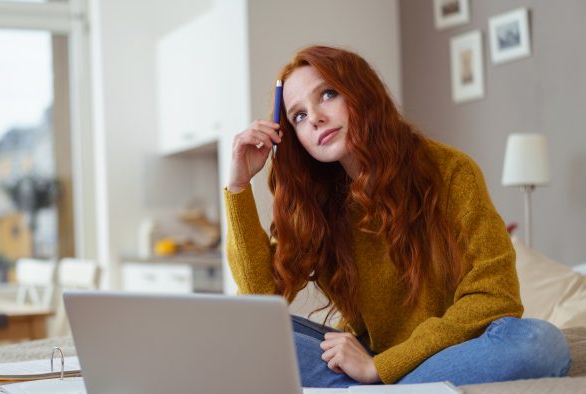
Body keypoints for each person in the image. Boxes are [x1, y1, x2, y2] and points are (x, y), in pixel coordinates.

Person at [223, 46, 571, 387]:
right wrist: (238, 185)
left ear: (361, 93)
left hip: (449, 351)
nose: (314, 117)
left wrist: (380, 368)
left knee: (540, 344)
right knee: (240, 330)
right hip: (362, 354)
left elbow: (496, 297)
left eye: (327, 94)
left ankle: (374, 389)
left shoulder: (450, 172)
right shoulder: (317, 202)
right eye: (298, 115)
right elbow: (258, 301)